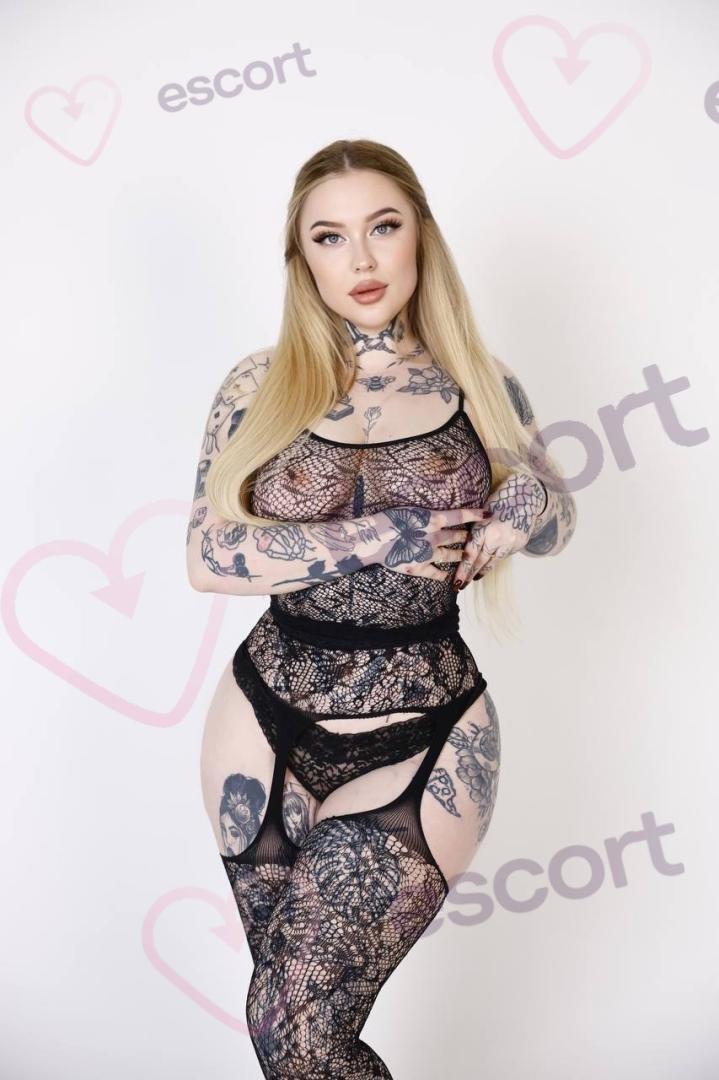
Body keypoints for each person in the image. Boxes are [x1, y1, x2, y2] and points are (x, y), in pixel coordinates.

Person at [187, 139, 577, 1079]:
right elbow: (207, 556)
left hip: (423, 731)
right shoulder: (256, 386)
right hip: (261, 718)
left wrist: (523, 506)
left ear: (420, 236)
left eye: (382, 227)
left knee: (299, 1029)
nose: (360, 259)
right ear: (301, 259)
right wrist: (384, 534)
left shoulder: (476, 382)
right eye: (329, 237)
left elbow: (555, 514)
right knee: (288, 1036)